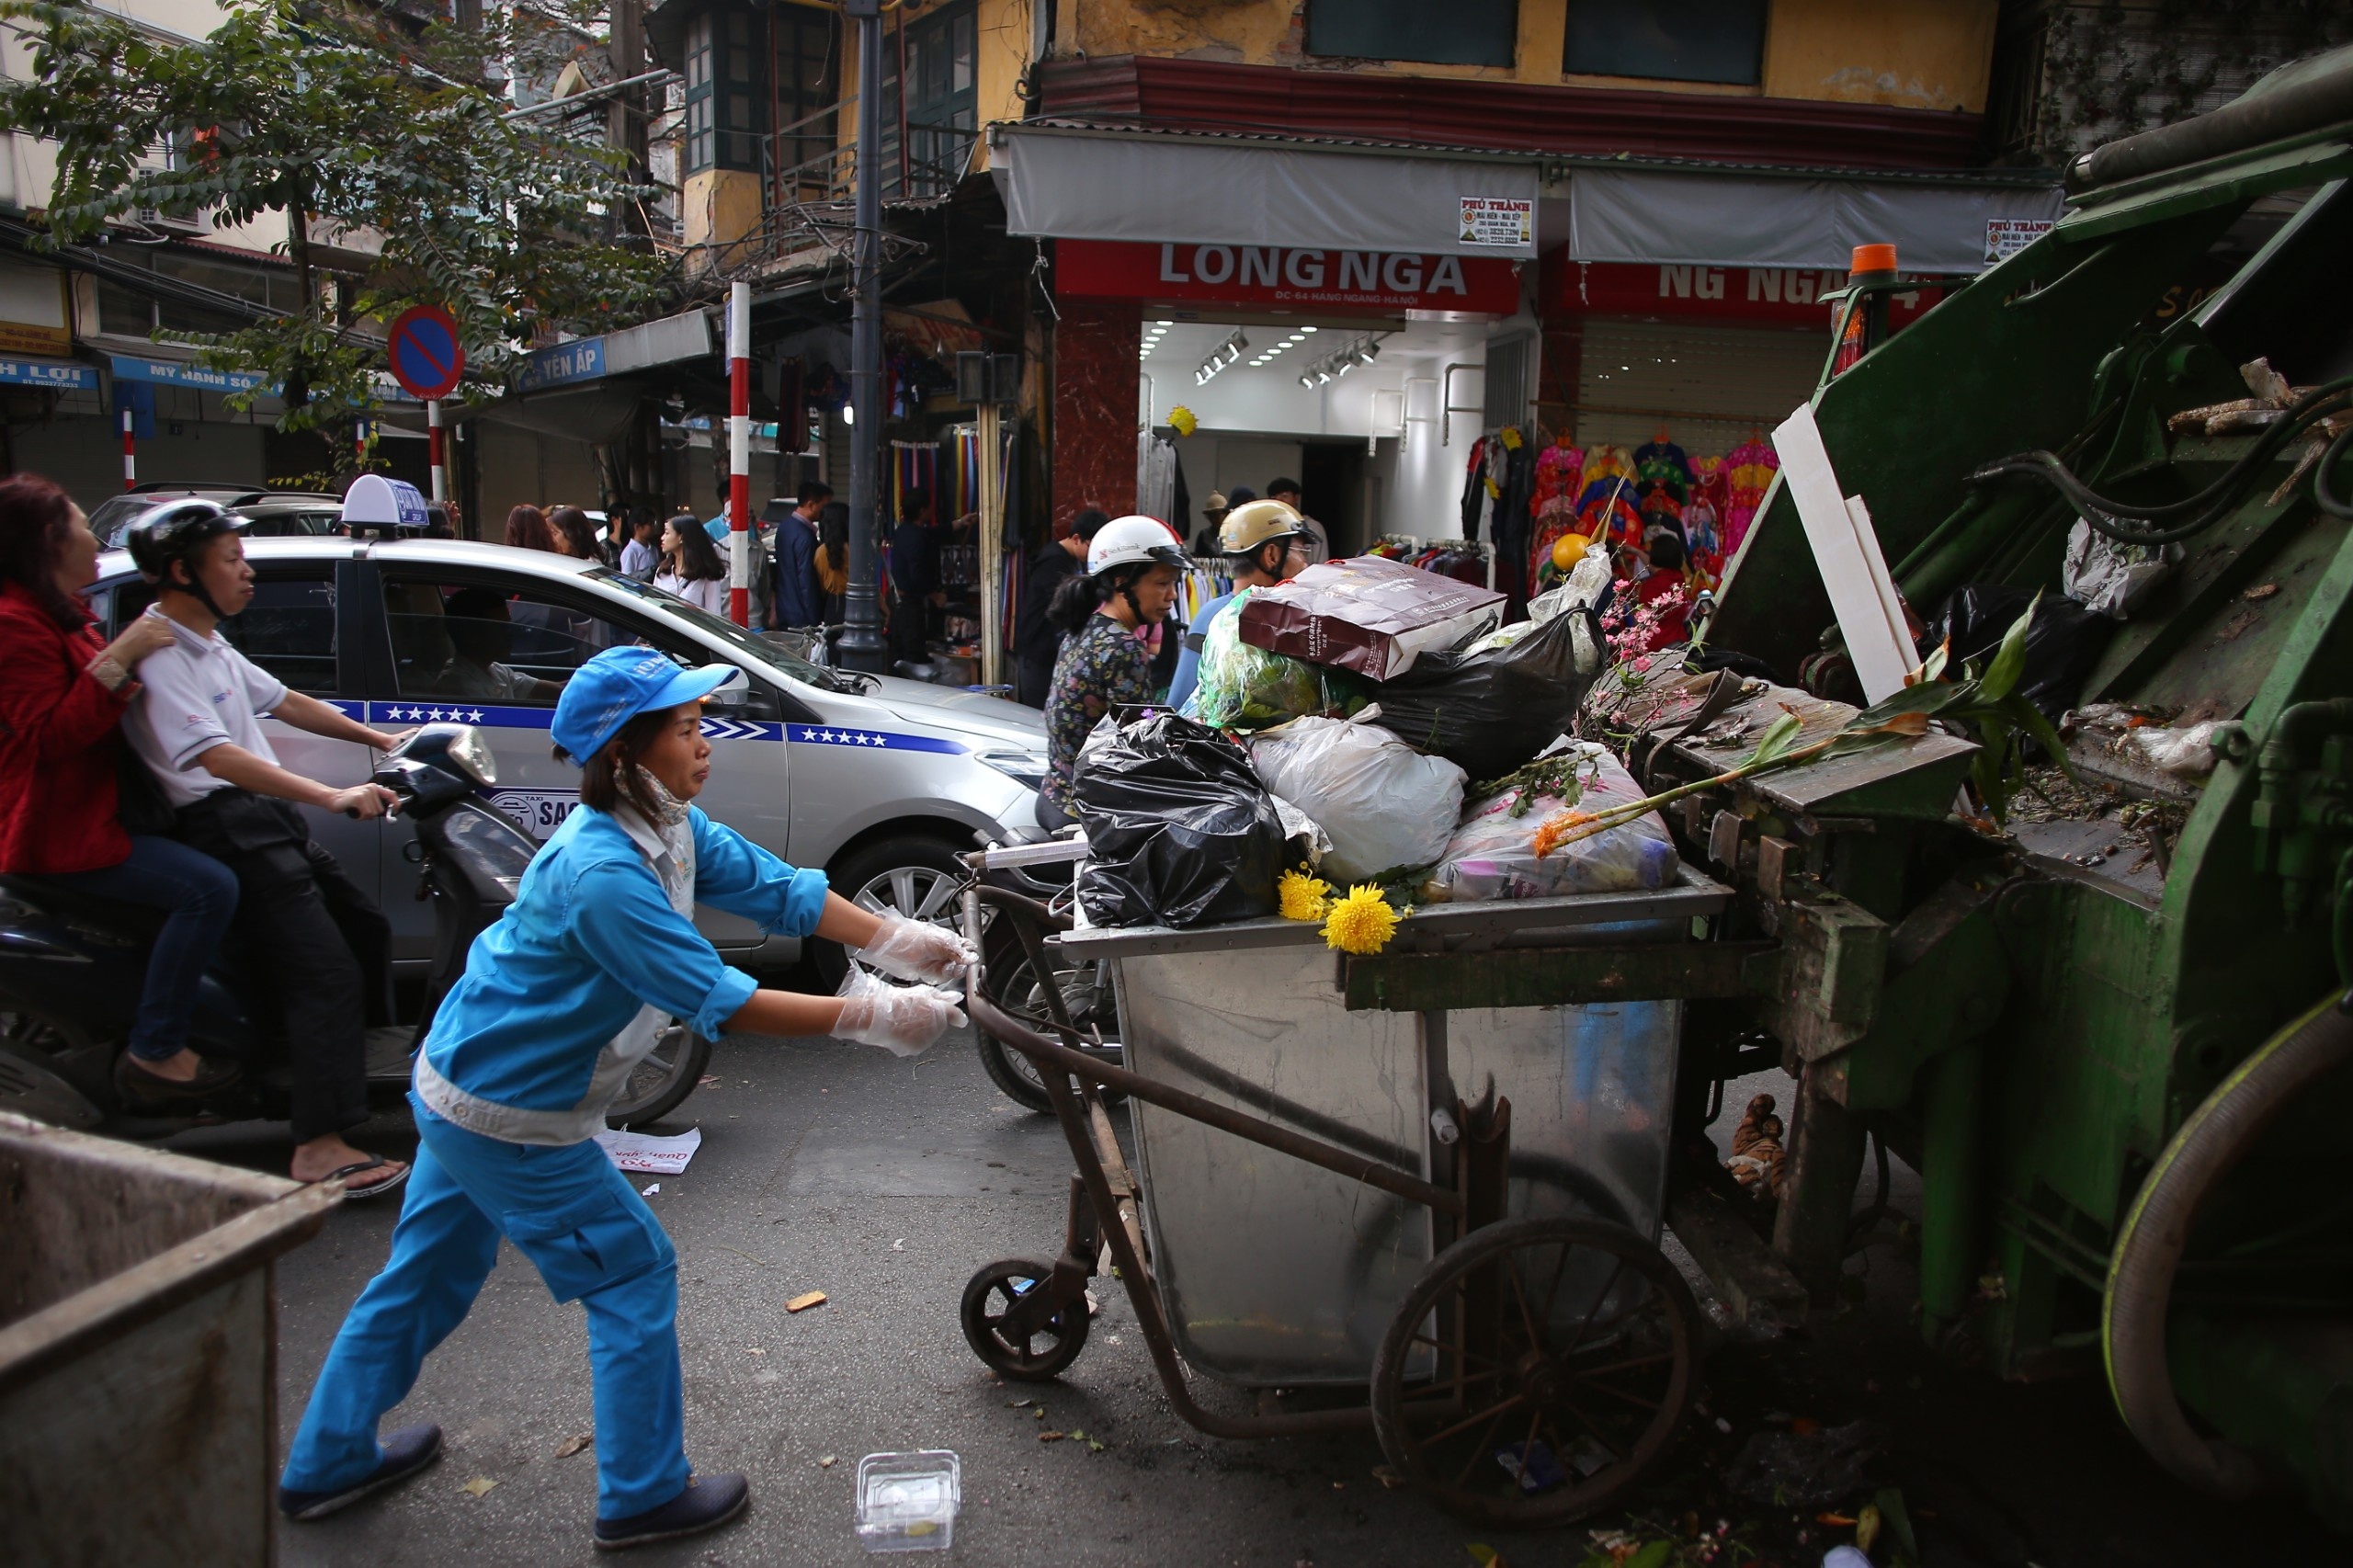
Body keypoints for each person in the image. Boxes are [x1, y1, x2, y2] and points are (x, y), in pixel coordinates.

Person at [277, 646, 973, 1549]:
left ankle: (326, 1459)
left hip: (461, 1083)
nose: (705, 742)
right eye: (685, 729)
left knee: (424, 1279)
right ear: (625, 753)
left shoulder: (668, 822)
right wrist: (875, 1015)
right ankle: (641, 1493)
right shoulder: (603, 873)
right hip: (511, 1112)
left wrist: (898, 935)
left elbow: (776, 888)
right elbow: (723, 998)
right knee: (632, 1270)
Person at [120, 502, 413, 1196]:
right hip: (227, 829)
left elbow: (284, 701)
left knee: (364, 929)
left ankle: (343, 1078)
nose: (246, 572)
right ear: (180, 572)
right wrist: (330, 795)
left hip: (260, 821)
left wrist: (382, 740)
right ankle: (318, 1144)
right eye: (230, 560)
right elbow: (217, 758)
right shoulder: (160, 654)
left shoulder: (206, 642)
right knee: (323, 974)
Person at [0, 474, 244, 1105]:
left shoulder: (62, 613)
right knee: (206, 888)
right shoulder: (14, 624)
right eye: (80, 524)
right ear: (46, 544)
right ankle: (156, 1049)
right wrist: (125, 653)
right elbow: (50, 734)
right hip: (59, 830)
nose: (92, 536)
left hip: (106, 812)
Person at [1038, 515, 1187, 830]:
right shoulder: (1124, 648)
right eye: (1162, 583)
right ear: (1122, 582)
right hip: (1086, 810)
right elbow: (1142, 745)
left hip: (1056, 793)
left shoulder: (1087, 627)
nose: (1172, 595)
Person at [1168, 498, 1311, 713]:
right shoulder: (1290, 620)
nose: (1305, 563)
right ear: (1271, 555)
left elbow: (1176, 705)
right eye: (1300, 551)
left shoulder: (1209, 614)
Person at [1013, 509, 1105, 708]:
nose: (1094, 554)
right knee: (1036, 717)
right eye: (1092, 547)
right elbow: (1061, 614)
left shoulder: (1068, 560)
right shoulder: (1054, 562)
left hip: (1046, 654)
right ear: (1076, 538)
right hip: (1038, 655)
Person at [439, 588, 565, 702]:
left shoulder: (496, 671)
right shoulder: (458, 687)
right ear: (471, 634)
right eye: (500, 627)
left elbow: (559, 689)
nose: (509, 634)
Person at [887, 488, 939, 670]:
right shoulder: (916, 537)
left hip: (899, 602)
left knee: (900, 652)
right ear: (922, 510)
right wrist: (934, 594)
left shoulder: (903, 532)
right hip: (909, 604)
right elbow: (917, 574)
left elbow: (933, 533)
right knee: (912, 655)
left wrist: (959, 524)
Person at [773, 483, 832, 631]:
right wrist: (814, 619)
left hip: (785, 609)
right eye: (824, 506)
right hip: (802, 615)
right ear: (811, 505)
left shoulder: (785, 527)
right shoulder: (805, 536)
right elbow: (807, 580)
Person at [654, 514, 729, 617]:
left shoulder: (707, 575)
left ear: (681, 537)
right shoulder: (662, 572)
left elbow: (714, 616)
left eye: (667, 533)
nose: (662, 538)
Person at [1633, 529, 1693, 651]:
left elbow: (1642, 622)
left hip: (1655, 648)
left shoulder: (1651, 586)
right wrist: (1636, 552)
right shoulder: (1679, 578)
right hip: (1680, 643)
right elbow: (1656, 568)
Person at [1265, 477, 1329, 562]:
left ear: (1296, 498)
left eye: (1285, 496)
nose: (1279, 501)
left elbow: (1321, 561)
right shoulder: (1269, 527)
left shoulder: (1313, 526)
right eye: (1274, 498)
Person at [618, 512, 662, 582]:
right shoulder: (630, 551)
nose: (653, 527)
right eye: (650, 524)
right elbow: (627, 578)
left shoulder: (653, 549)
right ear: (637, 527)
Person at [1190, 491, 1231, 558]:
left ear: (1226, 514)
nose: (1213, 520)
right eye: (1210, 517)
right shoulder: (1204, 535)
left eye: (1216, 516)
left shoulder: (1234, 533)